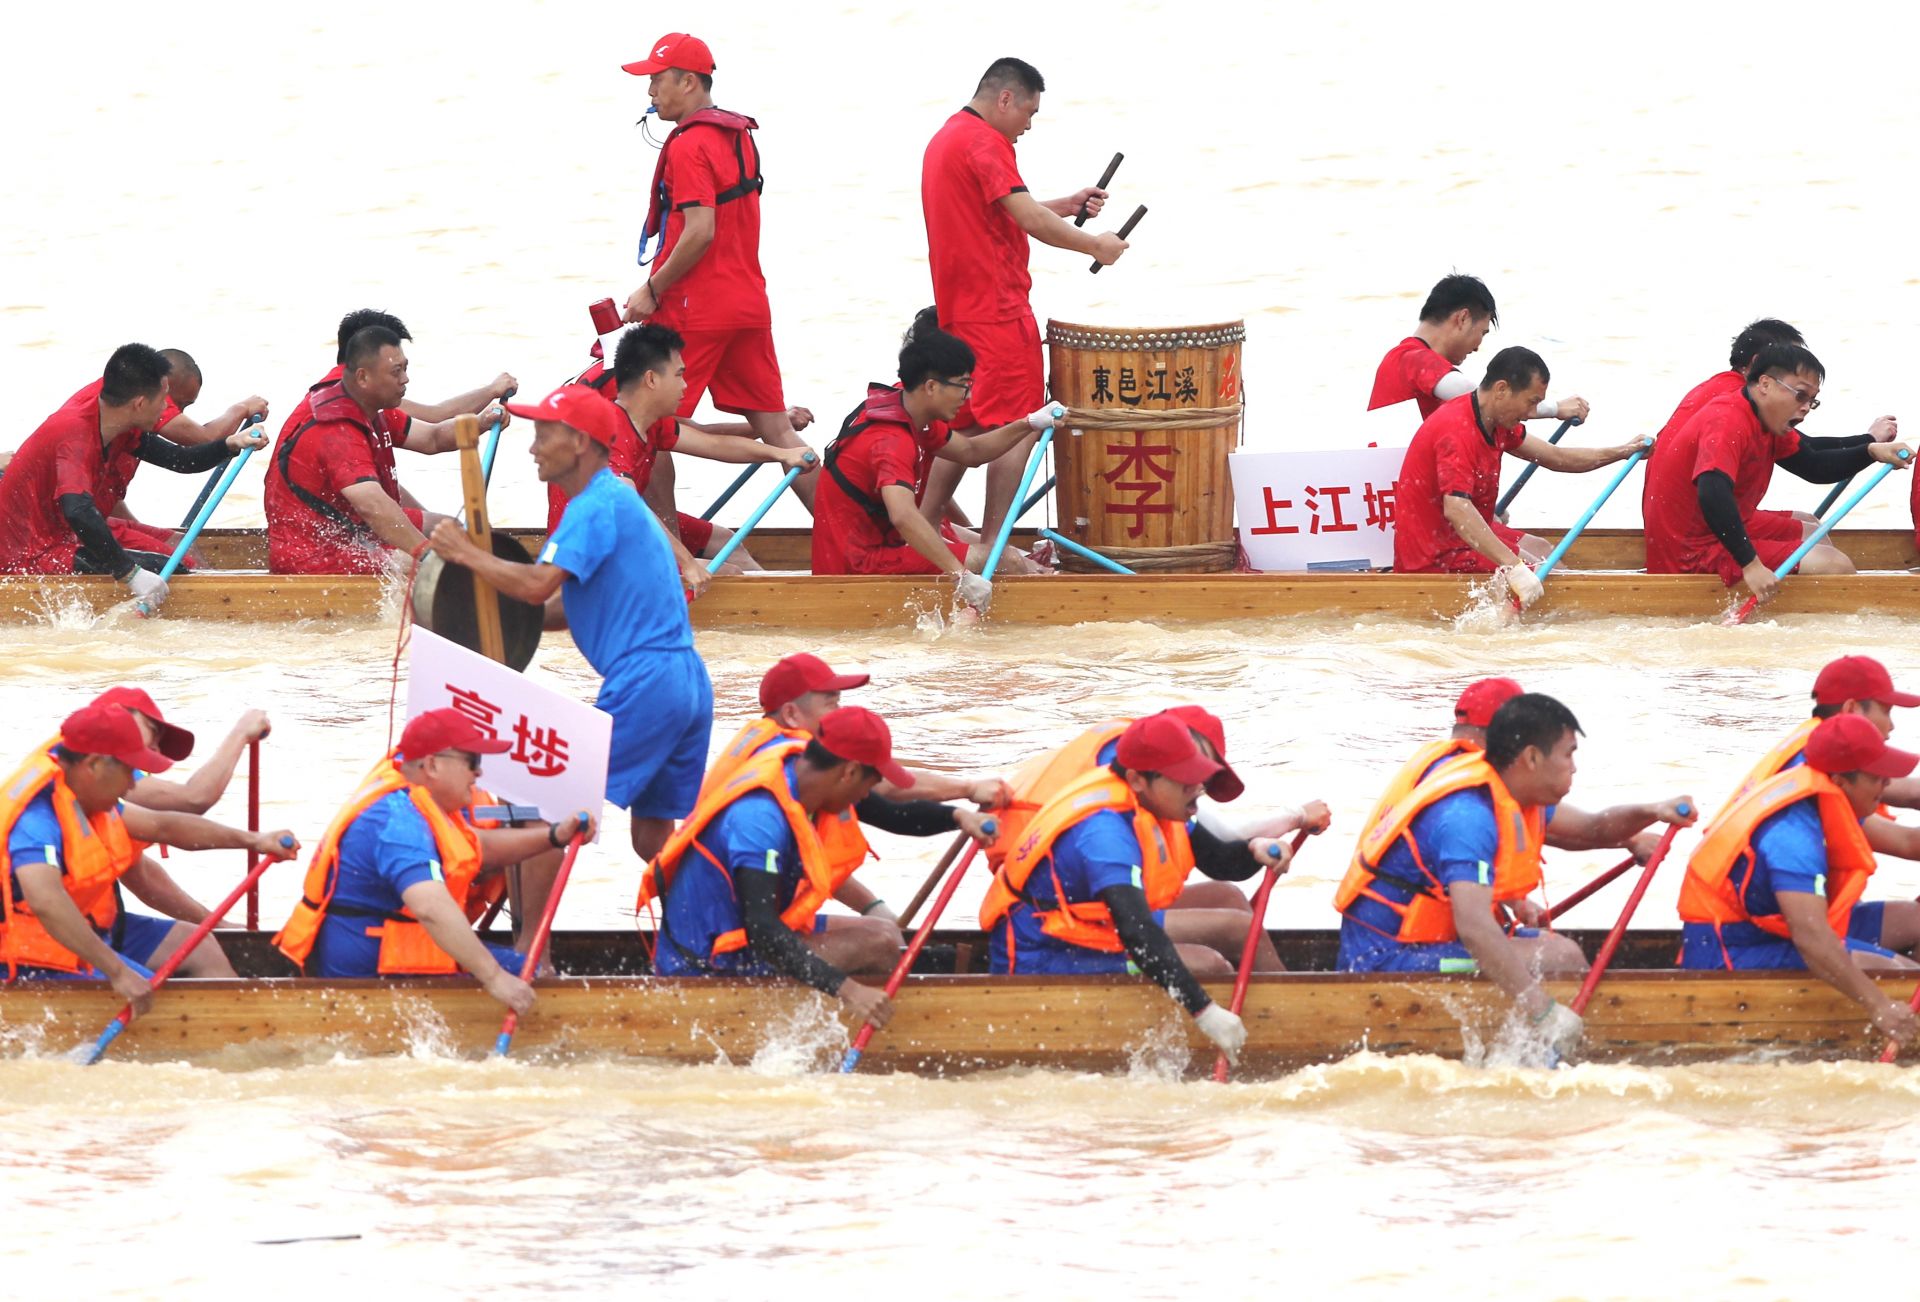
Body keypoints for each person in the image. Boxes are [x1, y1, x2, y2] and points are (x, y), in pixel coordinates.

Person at [425, 377, 712, 866]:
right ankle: (718, 907)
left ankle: (531, 923)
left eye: (543, 435)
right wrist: (483, 622)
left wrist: (465, 554)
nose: (533, 449)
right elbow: (558, 609)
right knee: (653, 839)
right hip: (687, 683)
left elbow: (537, 586)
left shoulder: (594, 503)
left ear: (578, 442)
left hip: (647, 682)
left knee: (543, 805)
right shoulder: (613, 500)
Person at [1334, 693, 1695, 1056]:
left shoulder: (1513, 792)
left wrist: (1654, 810)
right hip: (1386, 959)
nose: (1574, 768)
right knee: (1562, 957)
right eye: (1569, 754)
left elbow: (1594, 828)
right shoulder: (1467, 817)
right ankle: (1585, 1049)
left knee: (1559, 951)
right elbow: (1475, 928)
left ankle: (1568, 1045)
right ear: (1532, 758)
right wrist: (1543, 1012)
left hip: (1432, 941)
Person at [979, 711, 1313, 1064]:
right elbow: (1138, 934)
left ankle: (1282, 1018)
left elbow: (1220, 860)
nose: (1197, 788)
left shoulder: (1156, 799)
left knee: (1226, 896)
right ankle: (1291, 1035)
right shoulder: (1104, 832)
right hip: (1048, 953)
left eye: (1198, 777)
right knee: (1213, 962)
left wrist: (1256, 848)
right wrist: (1204, 1011)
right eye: (1185, 781)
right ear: (1138, 780)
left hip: (1095, 924)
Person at [917, 57, 1129, 568]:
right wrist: (1094, 246)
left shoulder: (948, 137)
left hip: (958, 310)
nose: (1029, 126)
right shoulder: (985, 141)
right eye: (1029, 113)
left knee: (966, 423)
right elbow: (1027, 217)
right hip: (997, 310)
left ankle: (921, 527)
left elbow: (1001, 210)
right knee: (1020, 422)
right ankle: (993, 547)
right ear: (1005, 98)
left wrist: (1066, 204)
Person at [272, 709, 591, 1008]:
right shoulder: (398, 821)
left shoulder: (417, 801)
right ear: (433, 765)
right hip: (369, 965)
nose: (479, 772)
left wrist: (555, 836)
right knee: (527, 974)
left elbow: (479, 846)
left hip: (383, 947)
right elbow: (430, 907)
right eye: (472, 760)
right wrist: (494, 978)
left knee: (524, 968)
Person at [620, 34, 817, 512]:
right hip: (747, 303)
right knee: (778, 428)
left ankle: (665, 540)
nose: (650, 91)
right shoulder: (739, 135)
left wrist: (652, 289)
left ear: (689, 82)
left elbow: (700, 231)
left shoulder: (690, 144)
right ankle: (844, 536)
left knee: (648, 423)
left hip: (696, 308)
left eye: (657, 80)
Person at [1, 699, 299, 1006]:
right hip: (29, 957)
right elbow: (46, 901)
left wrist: (255, 840)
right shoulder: (36, 820)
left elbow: (164, 826)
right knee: (152, 994)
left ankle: (241, 1025)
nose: (132, 786)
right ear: (94, 765)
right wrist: (118, 971)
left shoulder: (87, 797)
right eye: (129, 771)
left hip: (88, 929)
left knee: (200, 947)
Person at [637, 706, 916, 1029]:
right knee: (881, 945)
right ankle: (880, 1028)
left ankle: (846, 1018)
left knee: (885, 931)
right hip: (707, 963)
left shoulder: (793, 769)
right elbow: (763, 932)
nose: (866, 796)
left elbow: (898, 815)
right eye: (870, 785)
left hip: (733, 938)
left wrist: (957, 814)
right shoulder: (760, 820)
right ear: (850, 773)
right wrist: (849, 990)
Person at [1678, 714, 1920, 1049]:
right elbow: (1812, 939)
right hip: (1729, 950)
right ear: (1840, 780)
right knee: (1896, 971)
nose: (1887, 784)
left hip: (1772, 932)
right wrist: (1879, 1006)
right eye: (1876, 776)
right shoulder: (1793, 837)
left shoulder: (1825, 799)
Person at [813, 311, 1060, 603]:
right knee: (1009, 561)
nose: (967, 397)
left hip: (882, 544)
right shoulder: (890, 441)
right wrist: (961, 574)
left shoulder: (912, 410)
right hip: (860, 564)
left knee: (996, 555)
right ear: (931, 386)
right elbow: (903, 515)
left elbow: (971, 452)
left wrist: (1028, 423)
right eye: (963, 386)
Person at [0, 344, 268, 606]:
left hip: (64, 535)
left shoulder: (121, 425)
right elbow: (78, 511)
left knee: (177, 557)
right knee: (173, 570)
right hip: (28, 554)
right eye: (164, 401)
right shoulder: (74, 433)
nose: (166, 411)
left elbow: (181, 460)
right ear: (140, 403)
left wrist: (232, 444)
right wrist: (130, 574)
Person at [1642, 342, 1911, 598]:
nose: (1805, 407)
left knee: (1814, 531)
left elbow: (1815, 467)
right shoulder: (1727, 418)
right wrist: (1751, 564)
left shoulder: (1766, 417)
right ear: (1765, 384)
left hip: (1717, 530)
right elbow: (1712, 491)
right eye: (1800, 395)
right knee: (1836, 564)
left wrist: (1870, 451)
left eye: (1812, 400)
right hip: (1692, 551)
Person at [1391, 346, 1649, 606]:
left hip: (1462, 536)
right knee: (1542, 576)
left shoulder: (1495, 420)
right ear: (1501, 389)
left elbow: (1556, 457)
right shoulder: (1457, 430)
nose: (1531, 413)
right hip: (1435, 555)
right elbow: (1457, 508)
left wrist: (1622, 452)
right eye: (1531, 402)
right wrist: (1514, 566)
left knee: (1543, 551)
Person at [548, 326, 814, 574]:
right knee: (727, 573)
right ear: (651, 380)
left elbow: (714, 444)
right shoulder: (611, 434)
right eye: (678, 375)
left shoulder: (651, 422)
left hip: (624, 532)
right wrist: (686, 562)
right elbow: (629, 506)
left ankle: (782, 600)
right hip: (593, 553)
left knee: (724, 543)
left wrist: (781, 454)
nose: (686, 385)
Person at [264, 325, 510, 574]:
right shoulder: (337, 428)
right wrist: (427, 554)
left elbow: (433, 438)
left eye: (405, 368)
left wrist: (481, 422)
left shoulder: (371, 408)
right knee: (427, 563)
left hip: (352, 530)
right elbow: (371, 504)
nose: (405, 379)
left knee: (453, 530)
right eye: (396, 372)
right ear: (362, 377)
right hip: (313, 554)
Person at [1715, 655, 1920, 852]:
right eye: (1886, 711)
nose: (1891, 725)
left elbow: (1910, 793)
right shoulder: (1820, 767)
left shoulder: (1820, 746)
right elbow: (1906, 843)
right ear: (1852, 709)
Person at [97, 348, 270, 560]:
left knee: (182, 546)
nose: (174, 413)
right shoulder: (137, 399)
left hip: (99, 520)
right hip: (84, 529)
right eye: (177, 404)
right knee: (183, 559)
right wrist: (241, 409)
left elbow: (108, 498)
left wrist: (141, 531)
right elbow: (202, 441)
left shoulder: (131, 432)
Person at [1368, 274, 1590, 426]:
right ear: (1463, 318)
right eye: (1482, 333)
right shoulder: (1411, 358)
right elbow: (1484, 399)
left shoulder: (1414, 365)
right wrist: (1555, 408)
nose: (1477, 347)